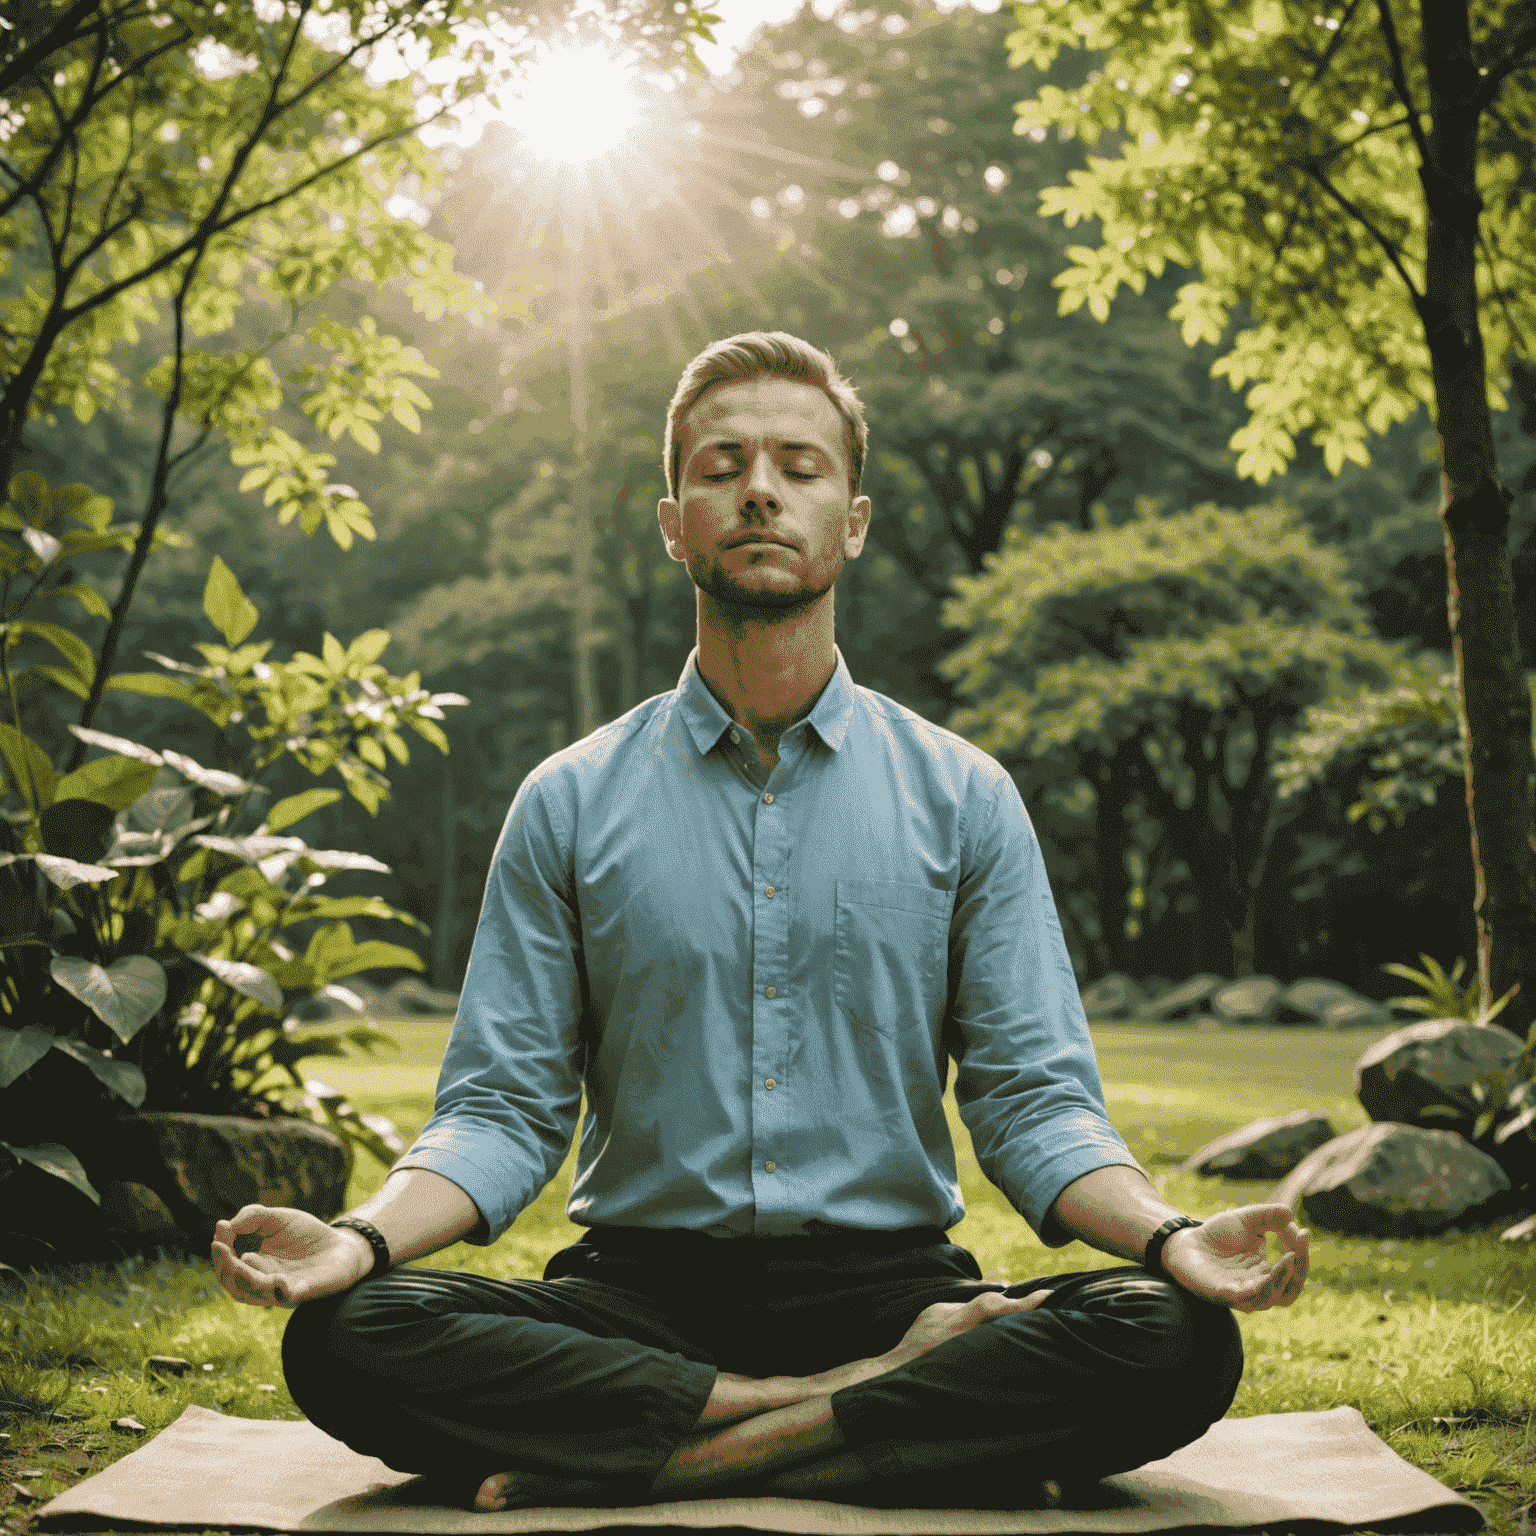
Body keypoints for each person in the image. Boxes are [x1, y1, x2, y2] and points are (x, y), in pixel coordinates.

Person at [211, 331, 1309, 1514]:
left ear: (854, 519)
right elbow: (502, 1110)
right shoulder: (569, 799)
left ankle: (670, 1446)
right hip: (640, 1290)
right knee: (347, 1334)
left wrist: (1171, 1237)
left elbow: (1034, 1099)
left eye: (799, 463)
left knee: (1174, 1336)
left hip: (894, 1282)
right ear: (675, 520)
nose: (761, 490)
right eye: (724, 464)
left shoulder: (964, 795)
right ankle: (875, 1407)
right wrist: (360, 1242)